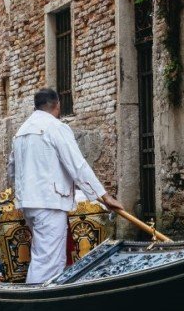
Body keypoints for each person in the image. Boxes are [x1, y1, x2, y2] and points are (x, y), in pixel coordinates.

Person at [7, 88, 124, 284]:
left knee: (41, 255)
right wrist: (103, 196)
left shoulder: (21, 131)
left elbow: (12, 169)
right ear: (57, 105)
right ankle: (39, 304)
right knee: (49, 261)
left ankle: (39, 298)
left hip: (28, 203)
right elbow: (77, 165)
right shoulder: (56, 127)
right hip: (49, 203)